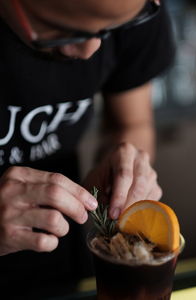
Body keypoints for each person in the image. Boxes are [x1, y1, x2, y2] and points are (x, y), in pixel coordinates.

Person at [0, 0, 174, 298]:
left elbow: (132, 123)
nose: (89, 51)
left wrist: (123, 171)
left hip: (57, 265)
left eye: (113, 29)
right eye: (64, 32)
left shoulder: (131, 6)